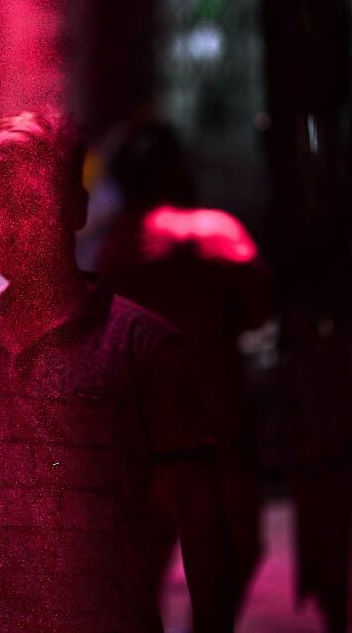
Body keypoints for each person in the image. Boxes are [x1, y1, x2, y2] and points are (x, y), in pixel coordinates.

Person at [0, 110, 233, 633]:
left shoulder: (143, 347)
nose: (6, 228)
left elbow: (200, 509)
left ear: (75, 208)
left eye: (27, 204)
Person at [98, 121, 270, 617]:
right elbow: (260, 304)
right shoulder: (214, 233)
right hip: (215, 438)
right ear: (177, 168)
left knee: (138, 581)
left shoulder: (115, 249)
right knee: (226, 564)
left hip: (137, 447)